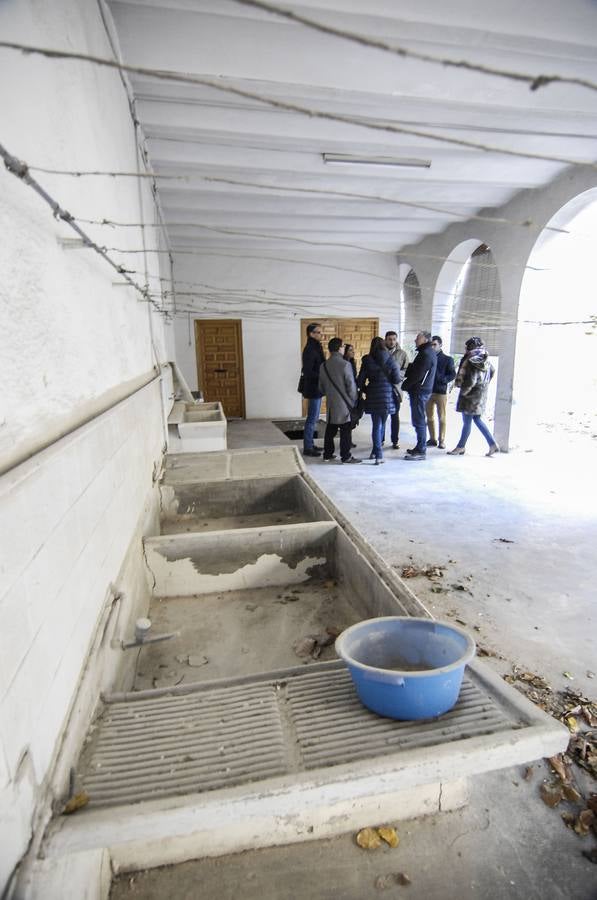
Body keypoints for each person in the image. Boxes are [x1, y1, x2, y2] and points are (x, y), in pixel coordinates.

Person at [448, 337, 499, 457]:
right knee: (476, 419)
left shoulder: (471, 360)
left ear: (470, 347)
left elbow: (471, 380)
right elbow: (492, 371)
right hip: (480, 394)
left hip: (470, 397)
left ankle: (461, 446)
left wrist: (464, 392)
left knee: (467, 421)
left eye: (466, 347)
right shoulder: (485, 358)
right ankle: (492, 444)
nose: (465, 349)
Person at [357, 336, 400, 464]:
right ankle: (378, 454)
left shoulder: (367, 360)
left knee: (376, 425)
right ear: (384, 345)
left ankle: (376, 453)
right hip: (387, 397)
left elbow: (360, 381)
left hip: (373, 396)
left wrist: (367, 390)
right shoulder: (391, 360)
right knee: (382, 423)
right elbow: (397, 379)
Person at [318, 338, 362, 464]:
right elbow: (351, 385)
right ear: (339, 348)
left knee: (330, 430)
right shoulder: (345, 364)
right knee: (345, 431)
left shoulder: (323, 366)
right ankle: (346, 456)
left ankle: (327, 454)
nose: (344, 348)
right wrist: (353, 401)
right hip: (345, 404)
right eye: (343, 346)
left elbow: (321, 387)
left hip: (331, 403)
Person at [401, 331, 437, 461]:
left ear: (425, 340)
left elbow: (418, 374)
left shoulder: (426, 354)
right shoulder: (426, 352)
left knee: (419, 420)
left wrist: (405, 384)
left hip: (420, 391)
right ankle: (419, 446)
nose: (415, 340)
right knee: (418, 419)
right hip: (422, 390)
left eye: (418, 338)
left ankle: (421, 450)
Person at [426, 335, 456, 450]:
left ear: (440, 345)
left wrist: (443, 380)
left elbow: (452, 374)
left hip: (441, 392)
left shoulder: (447, 359)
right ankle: (432, 439)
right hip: (428, 391)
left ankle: (441, 440)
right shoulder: (428, 357)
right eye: (431, 345)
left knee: (442, 417)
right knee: (429, 417)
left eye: (435, 344)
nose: (432, 347)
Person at [300, 323, 325, 456]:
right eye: (319, 332)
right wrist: (323, 375)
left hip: (317, 387)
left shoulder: (315, 347)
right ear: (311, 334)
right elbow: (309, 372)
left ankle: (311, 443)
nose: (321, 335)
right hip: (313, 388)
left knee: (315, 418)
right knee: (311, 418)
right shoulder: (310, 349)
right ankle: (307, 448)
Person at [384, 331, 409, 449]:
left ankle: (395, 440)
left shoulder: (402, 354)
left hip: (396, 389)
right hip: (383, 388)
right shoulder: (381, 352)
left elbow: (406, 369)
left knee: (395, 416)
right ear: (385, 340)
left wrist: (399, 375)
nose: (392, 341)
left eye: (394, 339)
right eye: (389, 339)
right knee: (382, 416)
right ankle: (381, 439)